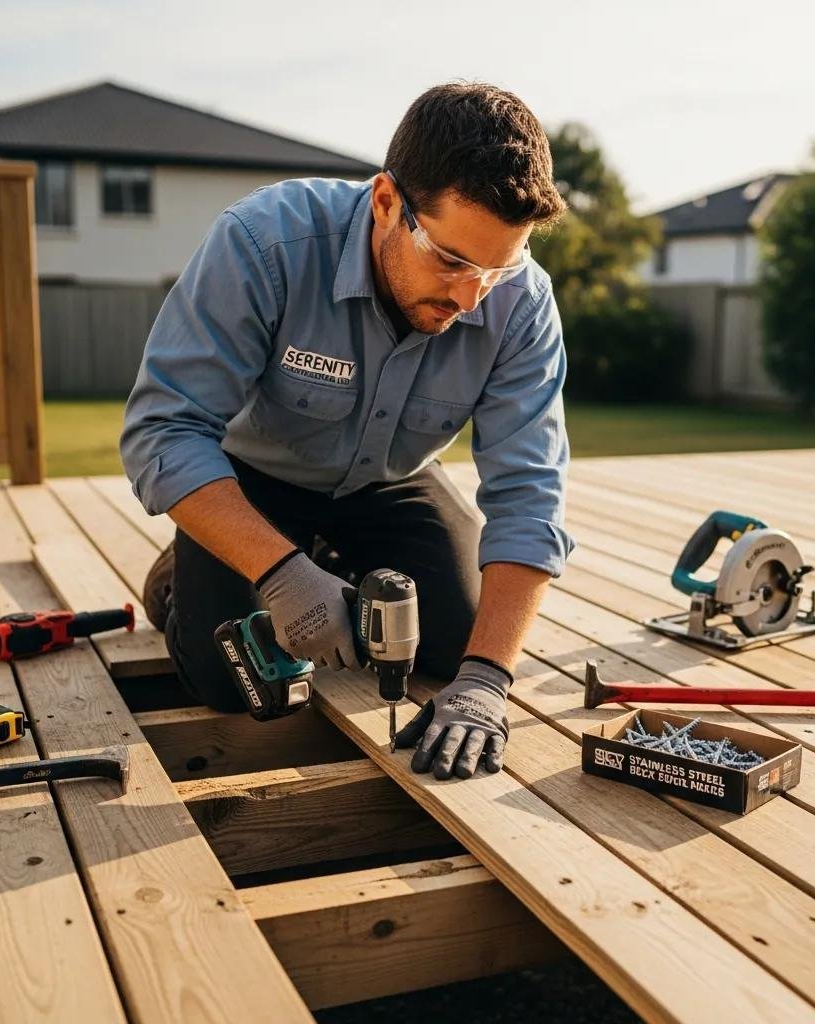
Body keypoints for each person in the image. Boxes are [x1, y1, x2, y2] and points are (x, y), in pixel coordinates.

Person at [120, 82, 575, 781]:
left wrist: (486, 682)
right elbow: (162, 430)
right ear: (386, 203)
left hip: (392, 478)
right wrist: (283, 574)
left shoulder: (522, 304)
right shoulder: (264, 243)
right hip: (255, 478)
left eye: (498, 269)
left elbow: (530, 497)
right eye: (452, 261)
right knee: (231, 682)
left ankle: (334, 562)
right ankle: (185, 573)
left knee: (455, 646)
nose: (469, 297)